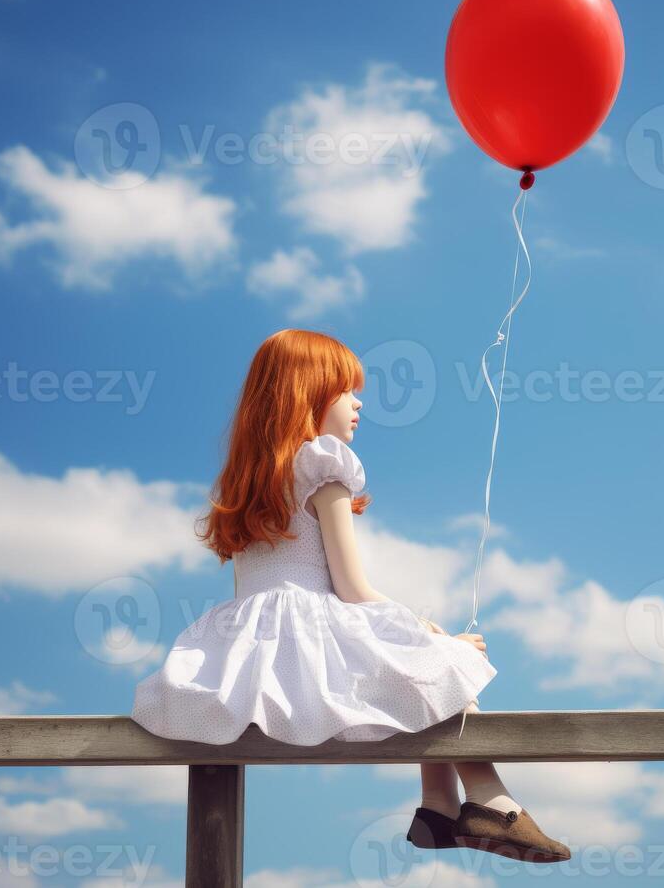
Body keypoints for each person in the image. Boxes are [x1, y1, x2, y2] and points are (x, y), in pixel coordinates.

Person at [130, 328, 571, 863]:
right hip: (306, 632)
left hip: (243, 648)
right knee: (439, 661)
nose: (358, 403)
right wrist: (433, 632)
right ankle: (486, 800)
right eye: (346, 390)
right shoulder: (323, 464)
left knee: (420, 667)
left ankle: (438, 807)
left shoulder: (249, 483)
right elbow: (352, 588)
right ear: (308, 392)